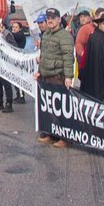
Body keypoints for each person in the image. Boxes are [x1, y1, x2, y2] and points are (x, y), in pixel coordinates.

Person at [35, 8, 74, 147]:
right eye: (48, 18)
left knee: (60, 109)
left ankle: (64, 138)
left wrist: (68, 76)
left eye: (53, 17)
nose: (50, 20)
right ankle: (50, 134)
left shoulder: (64, 36)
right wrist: (39, 71)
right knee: (48, 108)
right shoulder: (45, 35)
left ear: (59, 19)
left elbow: (69, 57)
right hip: (45, 76)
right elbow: (43, 55)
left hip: (57, 76)